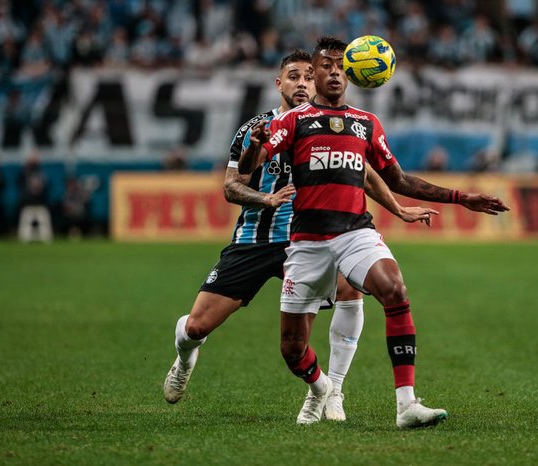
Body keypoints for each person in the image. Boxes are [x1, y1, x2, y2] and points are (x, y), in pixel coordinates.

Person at [239, 37, 510, 428]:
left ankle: (406, 405)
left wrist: (460, 196)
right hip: (306, 243)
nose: (334, 72)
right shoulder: (292, 121)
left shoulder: (366, 123)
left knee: (395, 288)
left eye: (340, 66)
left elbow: (397, 179)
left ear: (350, 74)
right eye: (326, 66)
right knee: (293, 349)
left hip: (354, 232)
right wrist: (255, 145)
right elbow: (250, 167)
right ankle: (321, 389)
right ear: (313, 75)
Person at [163, 49, 437, 422]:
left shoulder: (328, 121)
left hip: (311, 238)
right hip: (255, 240)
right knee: (196, 326)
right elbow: (231, 186)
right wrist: (265, 199)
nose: (303, 83)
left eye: (310, 76)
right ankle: (184, 358)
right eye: (294, 76)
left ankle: (330, 391)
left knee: (348, 290)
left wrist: (397, 208)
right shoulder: (255, 128)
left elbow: (365, 174)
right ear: (279, 83)